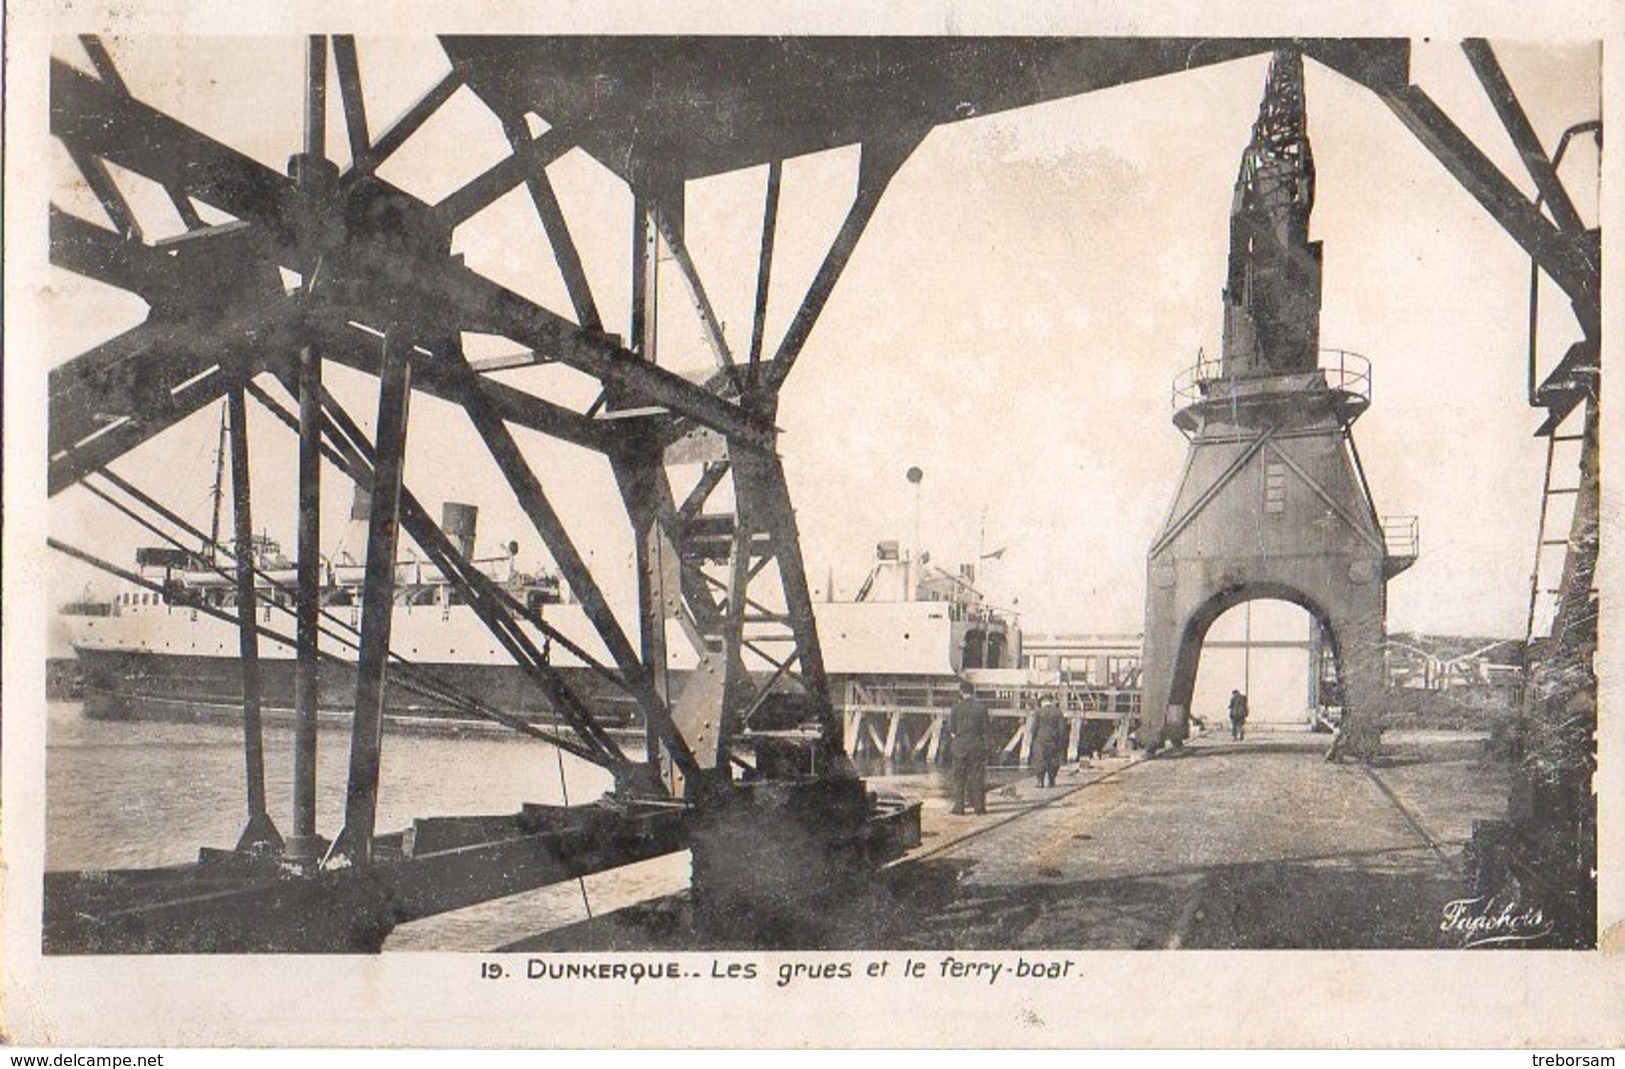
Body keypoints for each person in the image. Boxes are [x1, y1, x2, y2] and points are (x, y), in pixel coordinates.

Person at [946, 678, 991, 815]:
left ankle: (959, 808)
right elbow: (986, 729)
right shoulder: (981, 708)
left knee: (959, 777)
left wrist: (958, 737)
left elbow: (951, 728)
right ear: (973, 692)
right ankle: (979, 808)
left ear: (961, 692)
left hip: (960, 746)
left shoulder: (956, 708)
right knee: (977, 777)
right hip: (976, 746)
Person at [1032, 696, 1066, 788]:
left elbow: (1034, 728)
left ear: (1043, 702)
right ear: (1051, 701)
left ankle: (1040, 781)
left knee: (1040, 760)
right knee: (1053, 760)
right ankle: (1051, 780)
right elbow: (1062, 729)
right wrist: (1061, 741)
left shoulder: (1038, 712)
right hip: (1053, 740)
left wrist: (1033, 738)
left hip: (1040, 740)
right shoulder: (1058, 712)